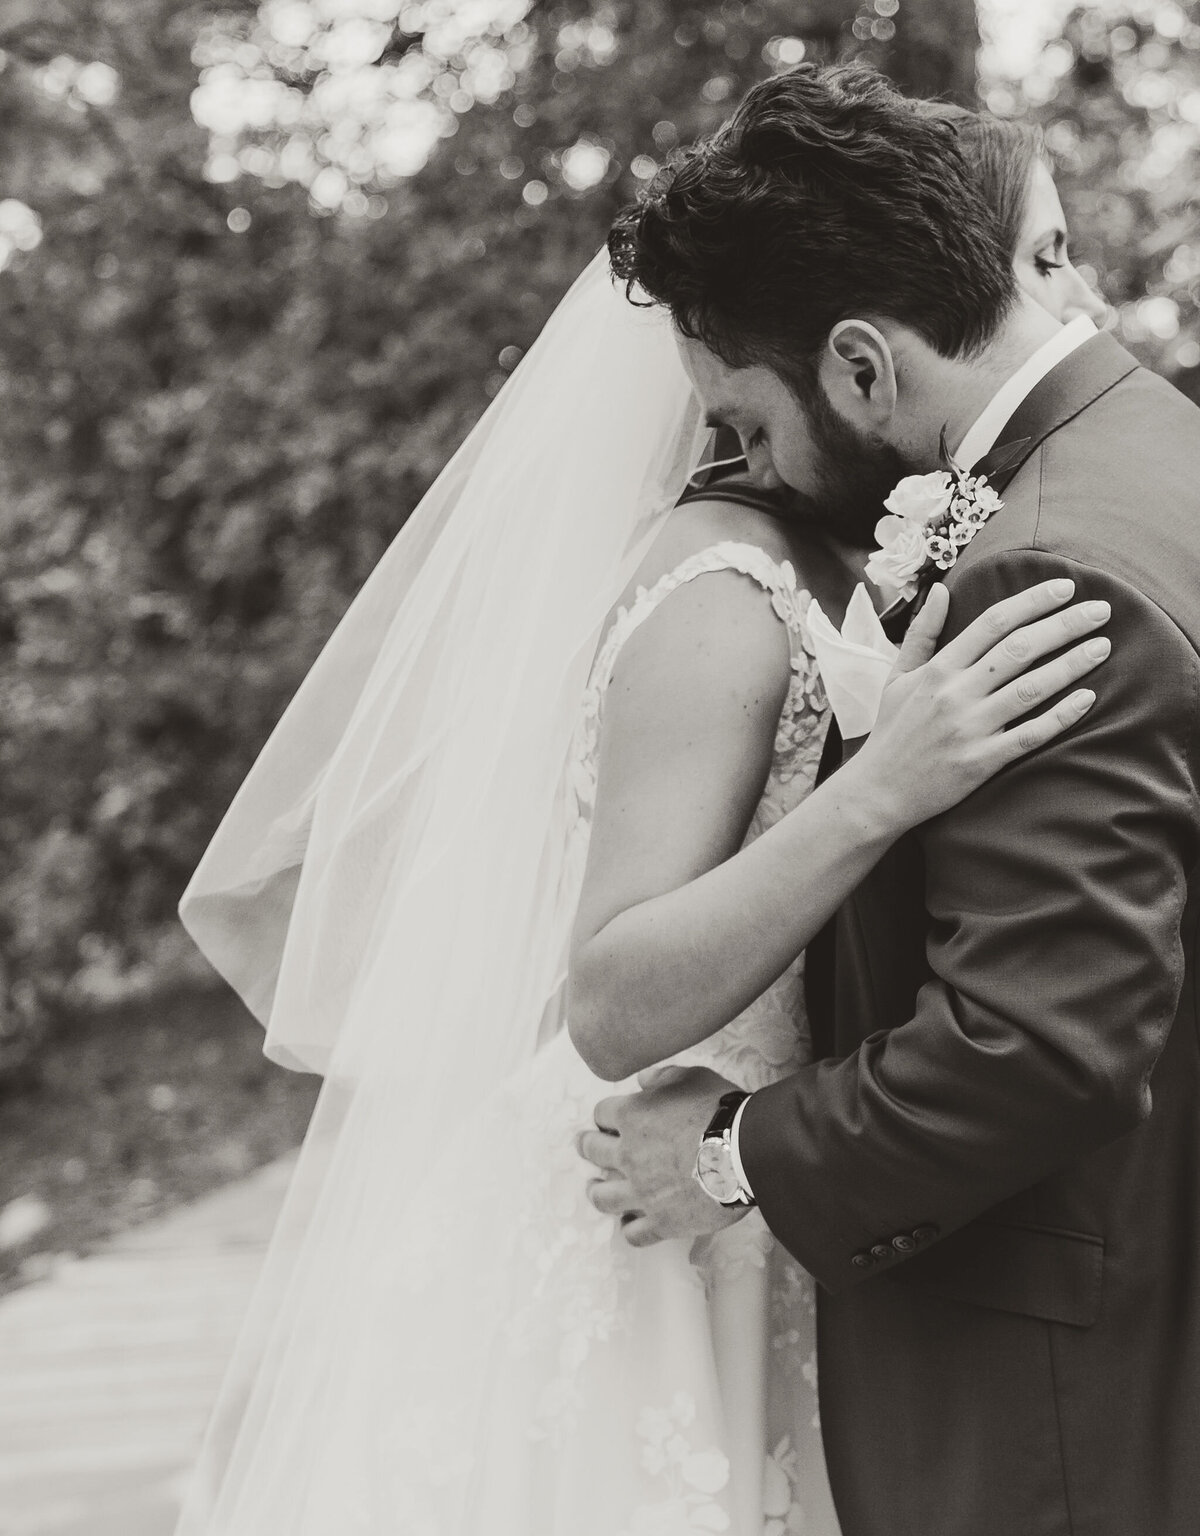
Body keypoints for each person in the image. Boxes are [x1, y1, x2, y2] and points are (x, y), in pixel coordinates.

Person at [174, 93, 1106, 1536]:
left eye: (748, 414)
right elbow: (610, 993)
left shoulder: (858, 547)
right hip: (645, 1227)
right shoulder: (721, 602)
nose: (748, 450)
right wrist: (887, 787)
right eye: (724, 423)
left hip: (759, 1200)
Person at [584, 62, 1200, 1536]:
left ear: (861, 366)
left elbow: (1035, 1049)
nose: (749, 467)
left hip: (1053, 1377)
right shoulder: (1154, 452)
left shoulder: (1045, 568)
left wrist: (731, 1152)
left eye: (746, 420)